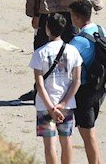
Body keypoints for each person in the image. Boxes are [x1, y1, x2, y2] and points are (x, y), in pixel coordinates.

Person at [30, 10, 82, 164]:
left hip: (45, 104)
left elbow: (39, 84)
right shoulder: (73, 51)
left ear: (47, 28)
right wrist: (63, 104)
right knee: (66, 142)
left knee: (49, 145)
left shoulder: (39, 53)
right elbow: (76, 81)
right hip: (66, 103)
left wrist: (51, 108)